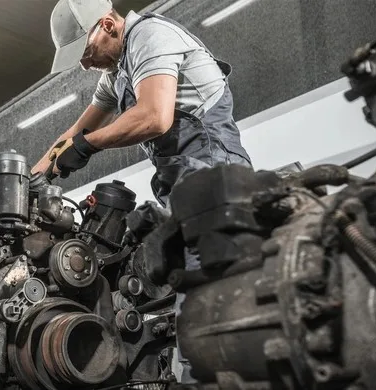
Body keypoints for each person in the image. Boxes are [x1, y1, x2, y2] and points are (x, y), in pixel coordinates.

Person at [32, 0, 252, 383]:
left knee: (207, 293)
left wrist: (88, 147)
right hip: (181, 183)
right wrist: (31, 180)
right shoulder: (117, 73)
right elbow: (71, 136)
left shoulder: (151, 35)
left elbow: (154, 115)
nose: (84, 65)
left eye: (85, 52)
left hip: (213, 173)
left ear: (108, 25)